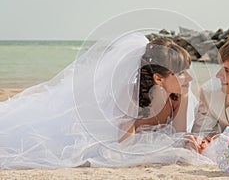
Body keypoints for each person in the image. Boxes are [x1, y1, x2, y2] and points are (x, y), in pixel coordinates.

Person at [0, 33, 213, 169]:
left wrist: (186, 141)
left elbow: (176, 133)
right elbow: (123, 145)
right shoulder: (131, 96)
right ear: (159, 78)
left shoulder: (180, 96)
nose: (191, 78)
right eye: (183, 73)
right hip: (98, 132)